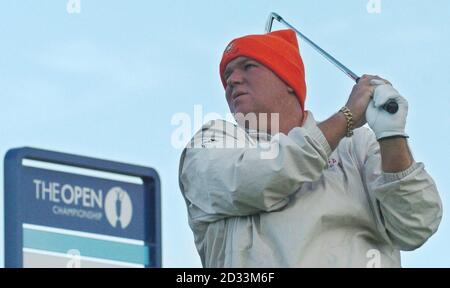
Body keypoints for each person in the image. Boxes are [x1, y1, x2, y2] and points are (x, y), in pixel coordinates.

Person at [178, 29, 442, 267]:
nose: (232, 80)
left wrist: (390, 134)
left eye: (247, 66)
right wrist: (346, 118)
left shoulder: (357, 145)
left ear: (288, 81)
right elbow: (256, 179)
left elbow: (416, 224)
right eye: (227, 75)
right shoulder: (212, 142)